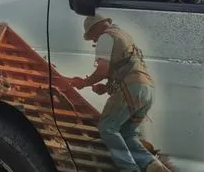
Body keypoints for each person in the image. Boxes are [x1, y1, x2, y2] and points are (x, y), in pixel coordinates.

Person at [69, 15, 167, 172]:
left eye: (92, 36)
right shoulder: (123, 36)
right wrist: (106, 89)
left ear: (96, 28)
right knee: (128, 133)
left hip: (131, 88)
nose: (94, 41)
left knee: (107, 127)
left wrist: (84, 82)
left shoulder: (105, 37)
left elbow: (102, 69)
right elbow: (126, 67)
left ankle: (129, 169)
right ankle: (151, 164)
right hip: (146, 89)